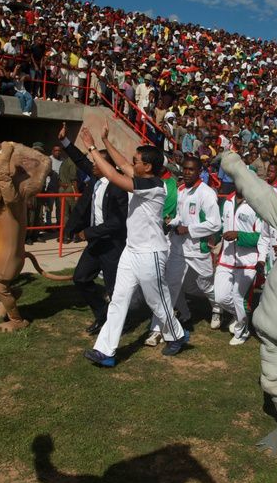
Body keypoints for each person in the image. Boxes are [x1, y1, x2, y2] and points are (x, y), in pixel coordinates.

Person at [81, 128, 190, 367]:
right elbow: (120, 163)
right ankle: (105, 351)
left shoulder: (152, 185)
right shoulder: (143, 178)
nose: (131, 164)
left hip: (150, 253)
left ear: (148, 167)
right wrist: (105, 141)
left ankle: (178, 335)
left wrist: (91, 148)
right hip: (131, 251)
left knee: (157, 302)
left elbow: (113, 174)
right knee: (118, 300)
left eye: (136, 162)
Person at [58, 124, 128, 335]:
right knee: (81, 278)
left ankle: (116, 326)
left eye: (97, 163)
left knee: (114, 289)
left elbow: (117, 222)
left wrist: (87, 233)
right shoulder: (97, 176)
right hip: (96, 242)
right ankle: (102, 314)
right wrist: (65, 141)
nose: (92, 166)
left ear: (107, 166)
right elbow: (80, 160)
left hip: (112, 245)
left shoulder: (119, 187)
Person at [146, 155, 221, 346]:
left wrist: (189, 229)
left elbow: (215, 223)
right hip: (178, 248)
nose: (187, 173)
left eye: (191, 170)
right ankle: (157, 330)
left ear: (199, 172)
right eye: (185, 169)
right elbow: (180, 215)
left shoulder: (207, 193)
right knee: (170, 287)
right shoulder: (181, 190)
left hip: (197, 249)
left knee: (205, 285)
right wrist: (172, 223)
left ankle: (217, 307)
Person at [214, 188, 266, 345]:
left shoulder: (257, 205)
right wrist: (216, 243)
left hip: (247, 261)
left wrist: (239, 235)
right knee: (220, 297)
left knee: (238, 297)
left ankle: (242, 331)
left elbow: (262, 236)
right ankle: (239, 314)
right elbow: (223, 225)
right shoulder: (227, 201)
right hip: (227, 257)